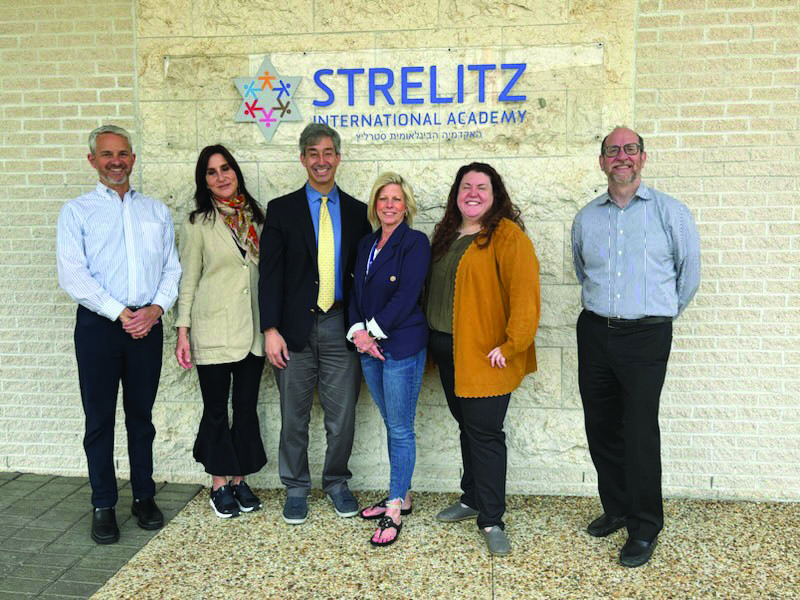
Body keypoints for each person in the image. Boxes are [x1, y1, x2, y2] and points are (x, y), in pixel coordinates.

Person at [571, 126, 701, 568]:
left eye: (630, 150)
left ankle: (646, 526)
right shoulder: (586, 217)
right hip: (594, 332)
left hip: (647, 335)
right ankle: (618, 508)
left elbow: (689, 278)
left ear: (643, 158)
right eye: (613, 151)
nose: (621, 157)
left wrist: (654, 316)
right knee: (601, 425)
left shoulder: (672, 213)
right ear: (602, 161)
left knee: (640, 429)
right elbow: (582, 272)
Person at [56, 125, 181, 544]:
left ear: (132, 158)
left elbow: (171, 268)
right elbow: (72, 273)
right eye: (107, 154)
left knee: (141, 419)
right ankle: (103, 503)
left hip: (147, 324)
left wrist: (155, 309)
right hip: (100, 327)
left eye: (123, 153)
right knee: (99, 420)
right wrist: (120, 312)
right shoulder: (76, 212)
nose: (116, 161)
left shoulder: (155, 211)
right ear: (92, 159)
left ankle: (144, 497)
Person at [258, 123, 372, 524]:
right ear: (302, 158)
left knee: (343, 417)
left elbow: (365, 276)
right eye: (313, 153)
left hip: (342, 326)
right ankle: (296, 487)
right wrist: (270, 330)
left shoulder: (360, 213)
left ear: (338, 158)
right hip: (293, 331)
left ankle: (337, 482)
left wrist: (366, 329)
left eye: (328, 153)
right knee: (294, 415)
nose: (321, 161)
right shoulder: (281, 210)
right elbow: (269, 275)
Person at [426, 163, 540, 556]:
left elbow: (525, 297)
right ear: (456, 193)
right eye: (465, 186)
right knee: (468, 428)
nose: (472, 193)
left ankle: (492, 518)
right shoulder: (447, 235)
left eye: (482, 187)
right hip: (448, 350)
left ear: (495, 195)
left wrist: (511, 345)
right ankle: (472, 497)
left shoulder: (507, 235)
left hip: (486, 356)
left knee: (486, 435)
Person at [174, 145, 268, 519]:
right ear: (205, 181)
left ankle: (239, 479)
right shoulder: (198, 224)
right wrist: (183, 330)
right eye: (211, 172)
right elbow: (188, 281)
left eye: (225, 168)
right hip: (212, 330)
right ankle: (218, 483)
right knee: (216, 410)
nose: (221, 176)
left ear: (236, 171)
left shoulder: (257, 218)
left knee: (245, 409)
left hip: (252, 332)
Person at [347, 172, 430, 547]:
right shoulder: (366, 243)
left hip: (400, 346)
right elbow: (354, 292)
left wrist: (373, 332)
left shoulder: (414, 243)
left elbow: (407, 294)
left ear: (406, 205)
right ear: (374, 205)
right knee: (391, 421)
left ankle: (395, 504)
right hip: (368, 347)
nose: (390, 205)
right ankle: (404, 493)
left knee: (400, 427)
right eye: (383, 199)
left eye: (396, 199)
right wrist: (357, 333)